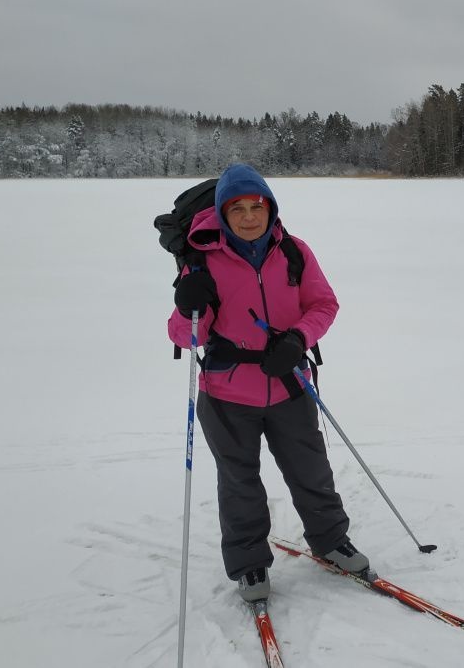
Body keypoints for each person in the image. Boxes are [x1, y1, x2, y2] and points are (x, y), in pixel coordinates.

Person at [167, 162, 368, 602]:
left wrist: (298, 338)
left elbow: (323, 304)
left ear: (270, 206)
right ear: (222, 212)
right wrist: (187, 306)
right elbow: (186, 335)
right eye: (235, 208)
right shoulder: (202, 260)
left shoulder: (294, 251)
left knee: (311, 469)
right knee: (239, 482)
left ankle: (331, 540)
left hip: (290, 382)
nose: (248, 216)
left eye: (255, 205)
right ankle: (249, 564)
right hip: (226, 393)